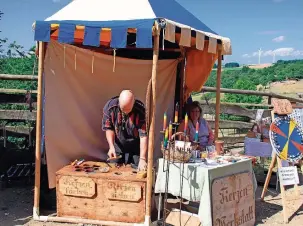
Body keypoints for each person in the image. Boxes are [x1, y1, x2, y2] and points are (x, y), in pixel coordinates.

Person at [102, 90, 148, 171]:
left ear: (133, 103)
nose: (126, 112)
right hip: (118, 143)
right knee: (112, 167)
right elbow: (109, 129)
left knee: (140, 168)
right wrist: (111, 147)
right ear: (119, 101)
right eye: (123, 109)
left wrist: (143, 158)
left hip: (135, 144)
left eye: (128, 109)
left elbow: (143, 135)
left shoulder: (141, 110)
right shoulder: (110, 107)